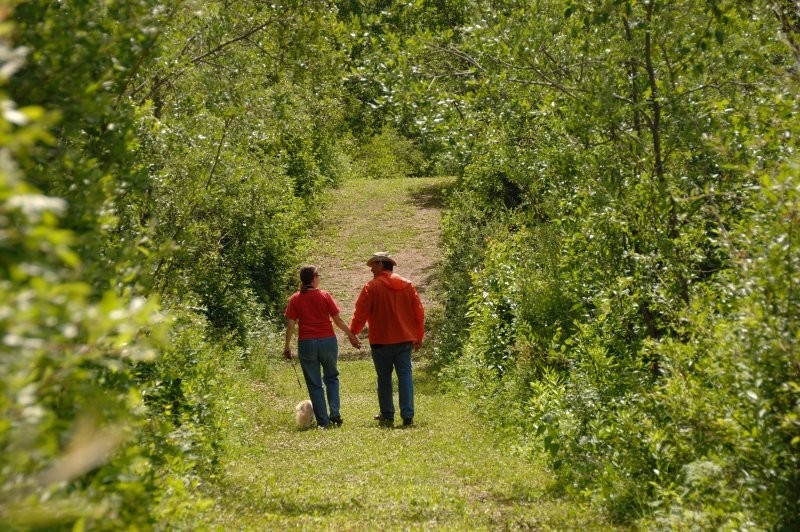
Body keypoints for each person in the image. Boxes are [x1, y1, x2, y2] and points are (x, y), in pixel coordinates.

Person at [349, 252, 424, 427]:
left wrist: (353, 332)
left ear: (382, 264)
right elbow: (419, 313)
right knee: (405, 376)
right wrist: (418, 336)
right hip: (404, 340)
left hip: (381, 341)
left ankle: (387, 414)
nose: (371, 269)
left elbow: (361, 313)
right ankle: (407, 416)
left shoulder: (371, 287)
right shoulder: (407, 285)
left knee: (384, 378)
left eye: (373, 265)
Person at [284, 265, 361, 428]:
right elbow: (338, 320)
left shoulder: (295, 299)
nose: (320, 278)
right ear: (313, 279)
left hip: (307, 343)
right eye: (318, 275)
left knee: (314, 383)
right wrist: (351, 336)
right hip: (327, 341)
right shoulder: (324, 296)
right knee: (331, 377)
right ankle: (335, 413)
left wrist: (287, 346)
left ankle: (323, 421)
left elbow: (290, 325)